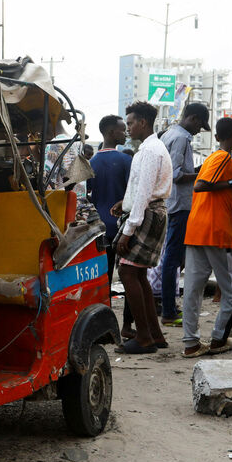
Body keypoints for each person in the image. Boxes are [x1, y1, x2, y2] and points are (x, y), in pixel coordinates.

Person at [180, 118, 232, 357]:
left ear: (215, 137)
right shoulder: (223, 157)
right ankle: (218, 339)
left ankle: (191, 343)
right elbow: (201, 186)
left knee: (192, 291)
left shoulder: (211, 159)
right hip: (216, 233)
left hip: (196, 231)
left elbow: (213, 188)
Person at [112, 101, 172, 354]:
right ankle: (154, 335)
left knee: (127, 272)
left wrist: (127, 232)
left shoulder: (149, 151)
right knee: (138, 274)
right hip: (151, 211)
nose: (127, 129)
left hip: (148, 214)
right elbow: (141, 190)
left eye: (130, 123)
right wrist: (124, 203)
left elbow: (145, 193)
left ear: (142, 123)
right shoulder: (153, 148)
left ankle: (145, 337)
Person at [159, 102, 210, 326]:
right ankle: (169, 311)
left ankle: (169, 307)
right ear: (194, 118)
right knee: (172, 259)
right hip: (179, 204)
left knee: (174, 257)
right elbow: (177, 174)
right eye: (200, 126)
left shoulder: (170, 134)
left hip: (171, 203)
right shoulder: (180, 138)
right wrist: (200, 174)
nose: (200, 130)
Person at [87, 115, 134, 338]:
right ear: (110, 132)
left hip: (100, 228)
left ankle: (103, 327)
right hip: (124, 227)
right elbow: (132, 195)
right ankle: (126, 326)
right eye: (121, 130)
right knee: (129, 278)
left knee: (103, 279)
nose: (125, 133)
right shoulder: (126, 161)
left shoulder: (92, 163)